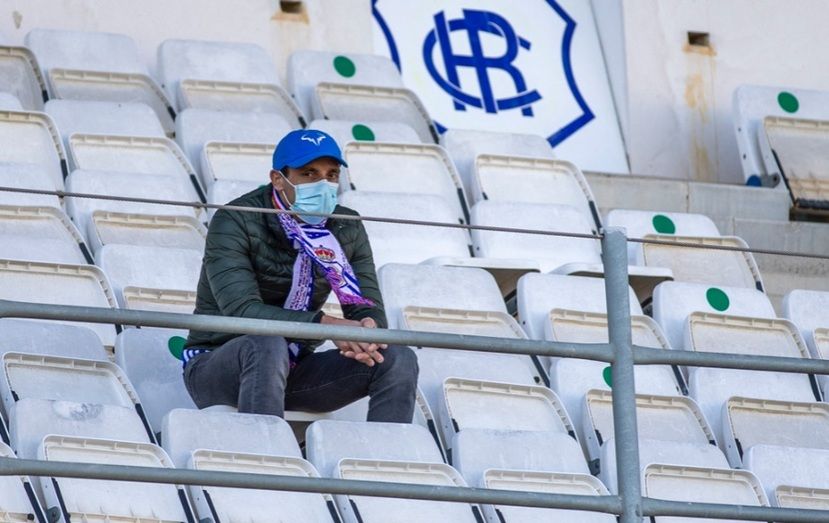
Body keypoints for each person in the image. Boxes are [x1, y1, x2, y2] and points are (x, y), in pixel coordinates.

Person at [180, 129, 418, 422]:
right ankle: (265, 459)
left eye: (331, 175)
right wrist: (328, 326)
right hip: (218, 364)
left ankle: (387, 463)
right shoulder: (235, 219)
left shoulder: (346, 225)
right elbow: (241, 311)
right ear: (278, 179)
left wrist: (367, 330)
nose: (323, 183)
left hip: (295, 368)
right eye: (308, 174)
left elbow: (365, 303)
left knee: (397, 358)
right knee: (266, 343)